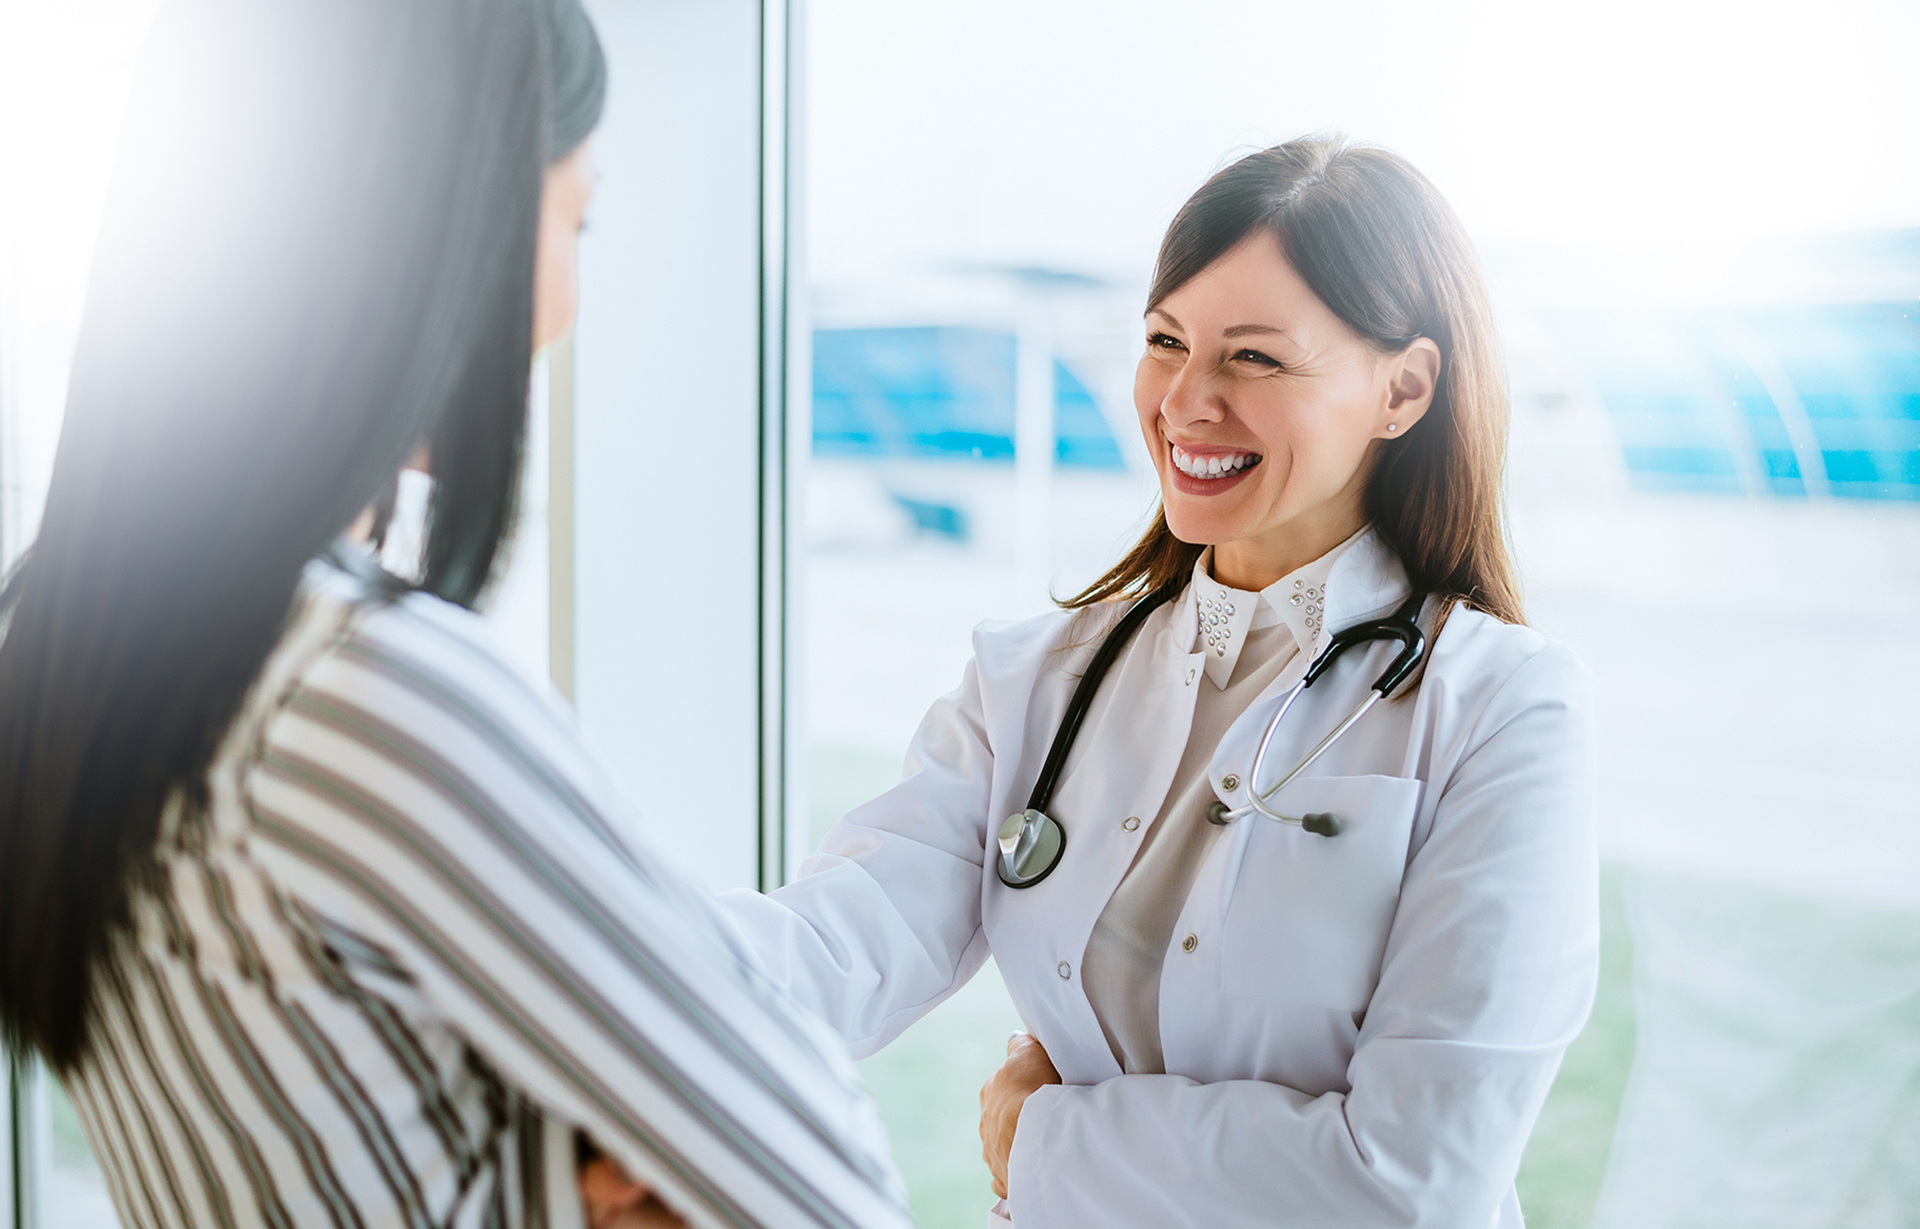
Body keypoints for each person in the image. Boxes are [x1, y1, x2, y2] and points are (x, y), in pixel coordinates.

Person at [0, 1, 909, 1226]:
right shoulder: (362, 688)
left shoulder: (64, 638)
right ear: (448, 227)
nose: (566, 298)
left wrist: (552, 1174)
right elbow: (831, 1187)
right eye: (574, 219)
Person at [718, 137, 1599, 1227]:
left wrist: (1048, 1139)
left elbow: (1412, 1183)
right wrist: (588, 958)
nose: (1185, 401)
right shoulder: (1036, 679)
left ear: (1403, 389)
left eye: (1254, 358)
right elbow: (833, 943)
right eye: (1165, 342)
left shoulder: (1505, 712)